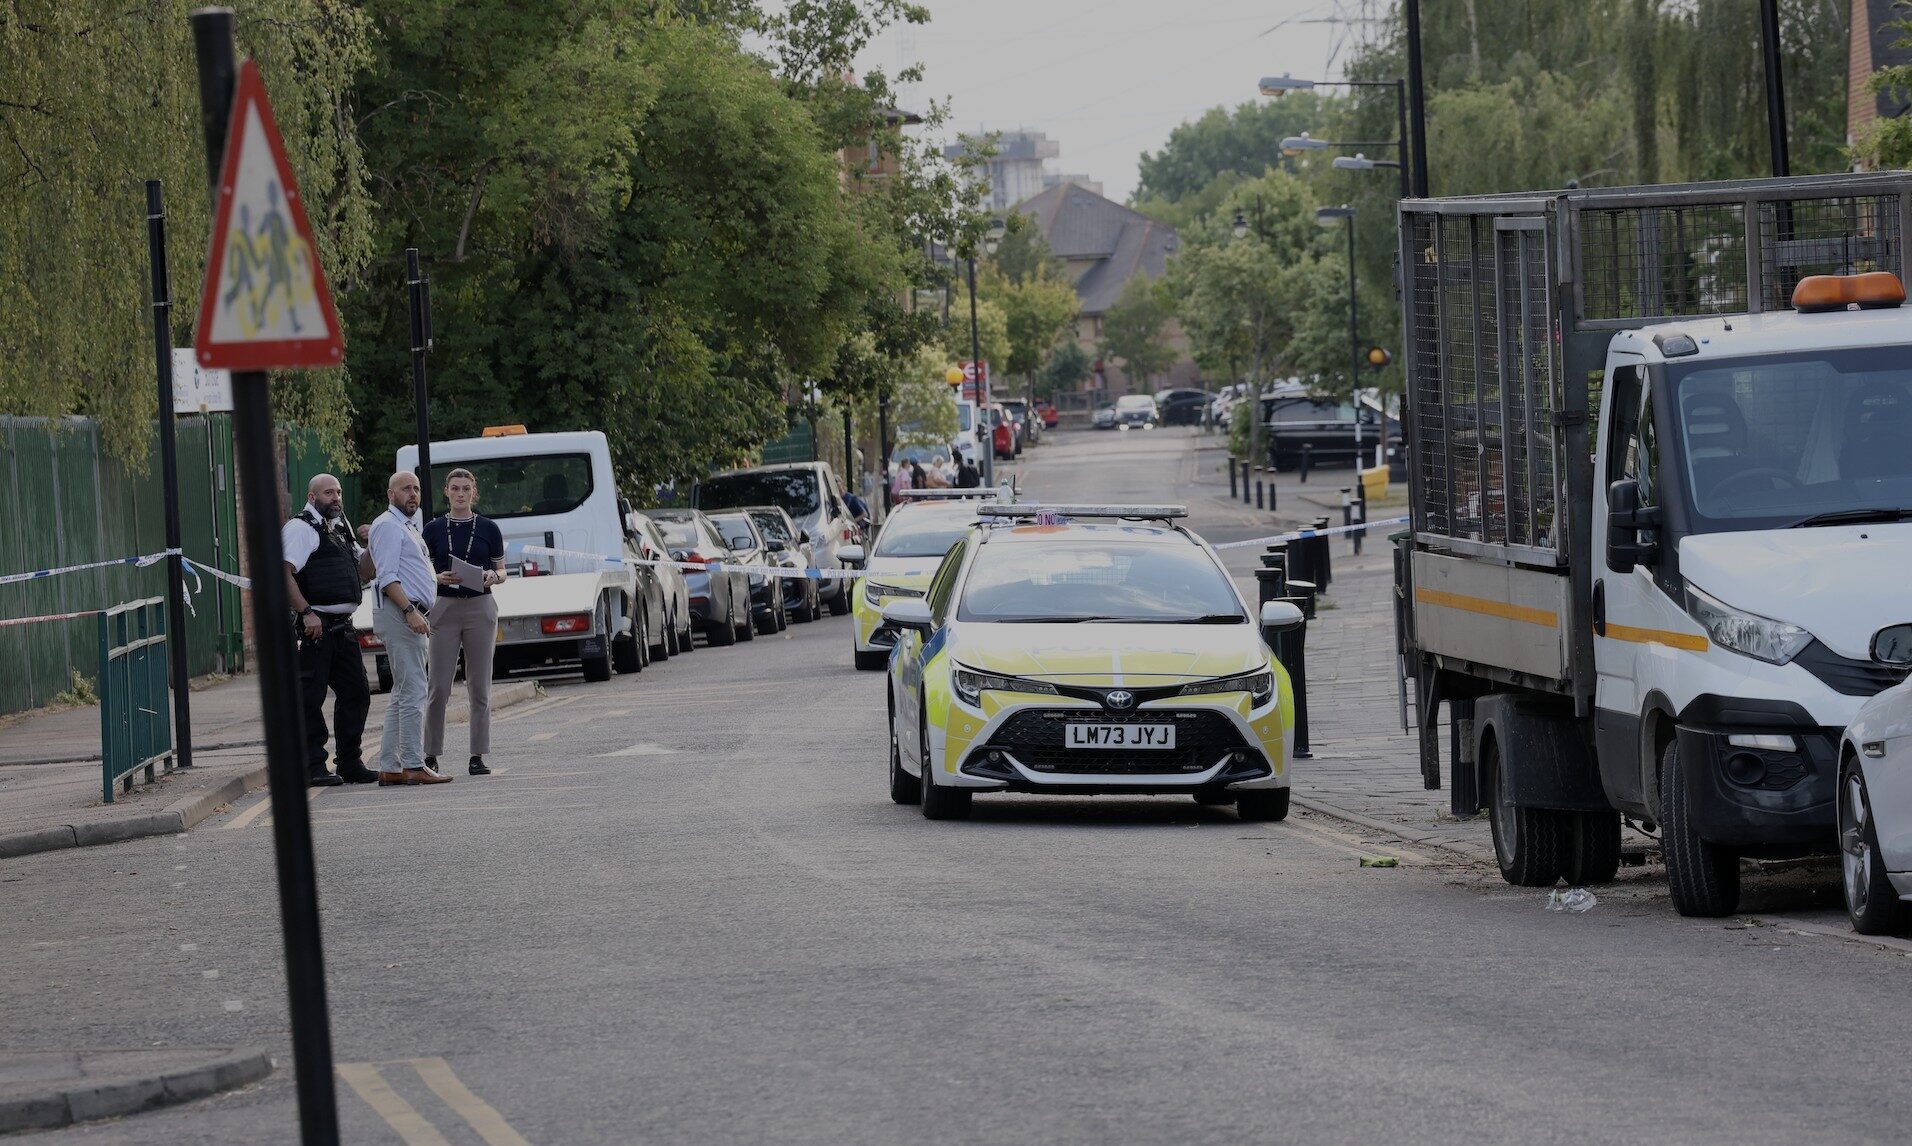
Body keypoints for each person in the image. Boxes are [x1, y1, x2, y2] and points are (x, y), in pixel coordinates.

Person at [283, 474, 378, 787]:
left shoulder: (340, 528)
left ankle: (349, 762)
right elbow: (284, 574)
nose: (336, 497)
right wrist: (306, 612)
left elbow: (362, 570)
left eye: (338, 492)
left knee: (356, 693)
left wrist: (374, 546)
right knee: (310, 696)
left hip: (343, 627)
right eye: (329, 493)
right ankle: (312, 765)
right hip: (315, 627)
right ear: (312, 497)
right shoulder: (300, 529)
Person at [368, 471, 455, 785]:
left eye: (416, 489)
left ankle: (391, 767)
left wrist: (435, 580)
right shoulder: (389, 527)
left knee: (401, 692)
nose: (413, 494)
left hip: (407, 612)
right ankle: (414, 765)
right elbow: (387, 577)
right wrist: (410, 611)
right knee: (415, 691)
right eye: (406, 489)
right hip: (401, 613)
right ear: (391, 494)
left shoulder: (404, 527)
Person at [422, 469, 506, 777]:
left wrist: (493, 576)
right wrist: (436, 577)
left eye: (466, 489)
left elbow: (502, 570)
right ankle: (430, 754)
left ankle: (477, 754)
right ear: (446, 491)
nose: (460, 493)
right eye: (455, 488)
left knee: (479, 684)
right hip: (444, 606)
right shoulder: (432, 529)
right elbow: (420, 569)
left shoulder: (488, 528)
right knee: (439, 686)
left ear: (474, 493)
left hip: (480, 606)